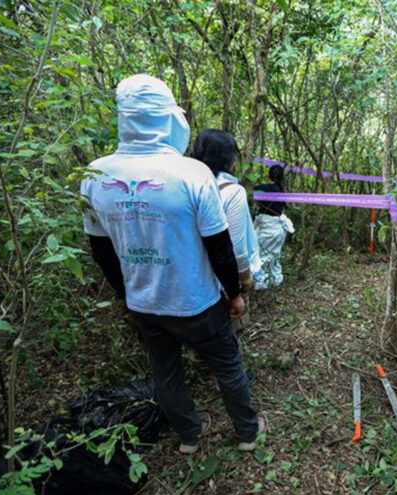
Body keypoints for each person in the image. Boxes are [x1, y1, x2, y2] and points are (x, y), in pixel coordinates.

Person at [80, 74, 264, 454]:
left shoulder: (95, 175)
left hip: (145, 303)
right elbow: (220, 247)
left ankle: (189, 437)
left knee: (166, 373)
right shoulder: (191, 174)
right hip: (197, 301)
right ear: (168, 119)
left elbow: (101, 251)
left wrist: (125, 297)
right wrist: (234, 294)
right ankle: (247, 433)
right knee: (228, 366)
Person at [190, 130, 261, 293]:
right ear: (227, 160)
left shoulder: (186, 185)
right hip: (221, 283)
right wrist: (245, 281)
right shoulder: (233, 192)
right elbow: (237, 249)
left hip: (189, 279)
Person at [253, 165, 294, 289]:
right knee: (275, 255)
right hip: (279, 231)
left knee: (262, 256)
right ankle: (276, 279)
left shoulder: (263, 189)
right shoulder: (281, 191)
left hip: (269, 229)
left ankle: (262, 283)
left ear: (268, 175)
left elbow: (249, 191)